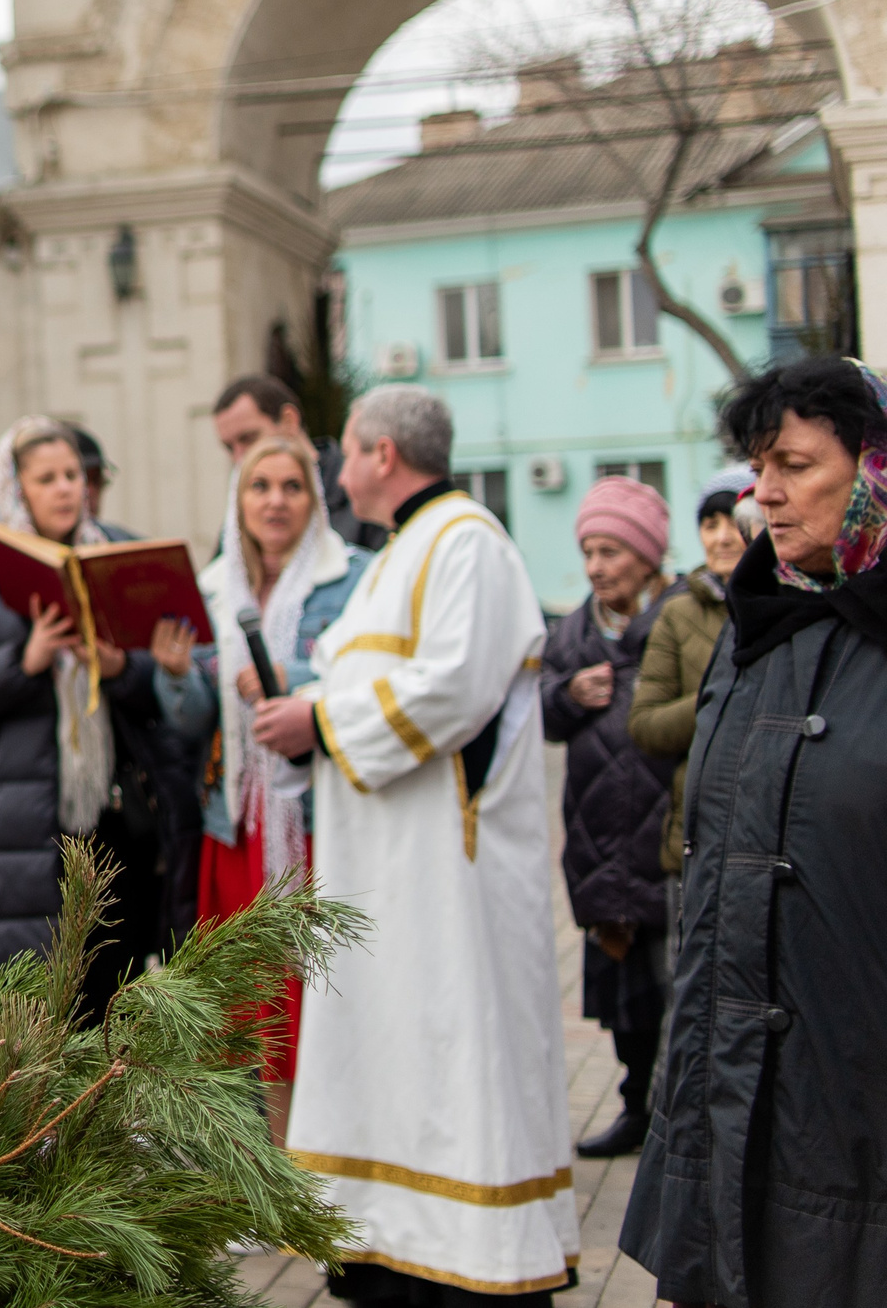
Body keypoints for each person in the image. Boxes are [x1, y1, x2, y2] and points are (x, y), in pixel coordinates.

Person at [248, 384, 574, 1304]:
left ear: (383, 453)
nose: (335, 469)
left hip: (446, 873)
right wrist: (304, 698)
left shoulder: (466, 541)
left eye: (344, 451)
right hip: (386, 866)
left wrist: (318, 713)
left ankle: (473, 1260)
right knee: (392, 1049)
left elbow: (450, 690)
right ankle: (390, 1245)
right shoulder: (404, 550)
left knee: (451, 1048)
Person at [622, 358, 887, 1305]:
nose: (761, 490)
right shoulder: (754, 622)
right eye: (755, 463)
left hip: (859, 1089)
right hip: (729, 1078)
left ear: (875, 470)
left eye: (794, 463)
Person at [0, 416, 196, 1015]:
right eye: (47, 478)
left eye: (74, 475)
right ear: (17, 488)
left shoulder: (117, 552)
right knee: (22, 1025)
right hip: (14, 832)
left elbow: (159, 697)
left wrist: (125, 670)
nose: (67, 488)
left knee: (105, 1011)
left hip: (109, 823)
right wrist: (26, 660)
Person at [151, 432, 371, 1142]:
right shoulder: (212, 589)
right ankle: (264, 1161)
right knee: (247, 1001)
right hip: (237, 821)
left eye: (291, 486)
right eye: (260, 486)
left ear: (315, 499)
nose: (275, 501)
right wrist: (178, 674)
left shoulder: (354, 577)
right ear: (237, 499)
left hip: (314, 822)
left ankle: (320, 1154)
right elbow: (191, 725)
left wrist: (292, 686)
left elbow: (365, 686)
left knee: (317, 992)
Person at [540, 476, 676, 1162]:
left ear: (649, 556)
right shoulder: (572, 632)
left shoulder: (683, 618)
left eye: (612, 550)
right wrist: (567, 694)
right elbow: (536, 713)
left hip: (665, 834)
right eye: (589, 550)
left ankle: (675, 1112)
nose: (596, 566)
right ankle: (633, 1105)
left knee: (673, 979)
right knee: (622, 988)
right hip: (598, 835)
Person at [625, 467, 755, 931]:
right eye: (709, 523)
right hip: (696, 835)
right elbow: (645, 725)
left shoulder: (794, 605)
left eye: (734, 521)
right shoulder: (678, 615)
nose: (722, 538)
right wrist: (717, 699)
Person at [212, 373, 387, 550]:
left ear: (289, 420)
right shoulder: (242, 505)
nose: (239, 457)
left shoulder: (361, 490)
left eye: (249, 438)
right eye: (229, 448)